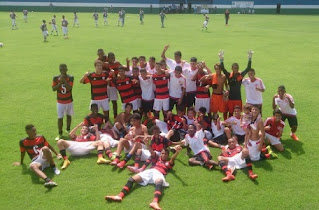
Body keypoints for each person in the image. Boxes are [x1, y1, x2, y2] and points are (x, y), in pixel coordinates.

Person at [105, 144, 183, 210]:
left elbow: (172, 159)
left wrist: (177, 152)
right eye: (162, 153)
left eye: (165, 154)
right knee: (132, 179)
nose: (163, 155)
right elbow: (151, 151)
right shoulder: (157, 159)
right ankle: (119, 196)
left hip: (159, 173)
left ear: (167, 155)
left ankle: (154, 202)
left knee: (159, 182)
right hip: (150, 171)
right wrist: (146, 143)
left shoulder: (168, 163)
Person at [219, 50, 253, 117]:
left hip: (238, 98)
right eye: (234, 68)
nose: (236, 69)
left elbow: (248, 68)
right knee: (231, 113)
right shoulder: (229, 75)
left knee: (238, 114)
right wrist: (221, 59)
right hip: (230, 98)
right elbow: (223, 68)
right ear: (232, 68)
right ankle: (230, 126)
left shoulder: (240, 75)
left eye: (237, 68)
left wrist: (250, 58)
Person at [52, 64, 74, 140]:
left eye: (64, 69)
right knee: (60, 118)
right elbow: (53, 89)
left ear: (67, 70)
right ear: (59, 70)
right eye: (61, 70)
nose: (63, 71)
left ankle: (68, 129)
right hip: (60, 102)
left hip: (69, 101)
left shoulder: (70, 77)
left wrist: (64, 81)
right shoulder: (55, 78)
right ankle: (60, 133)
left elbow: (70, 88)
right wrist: (60, 83)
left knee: (68, 115)